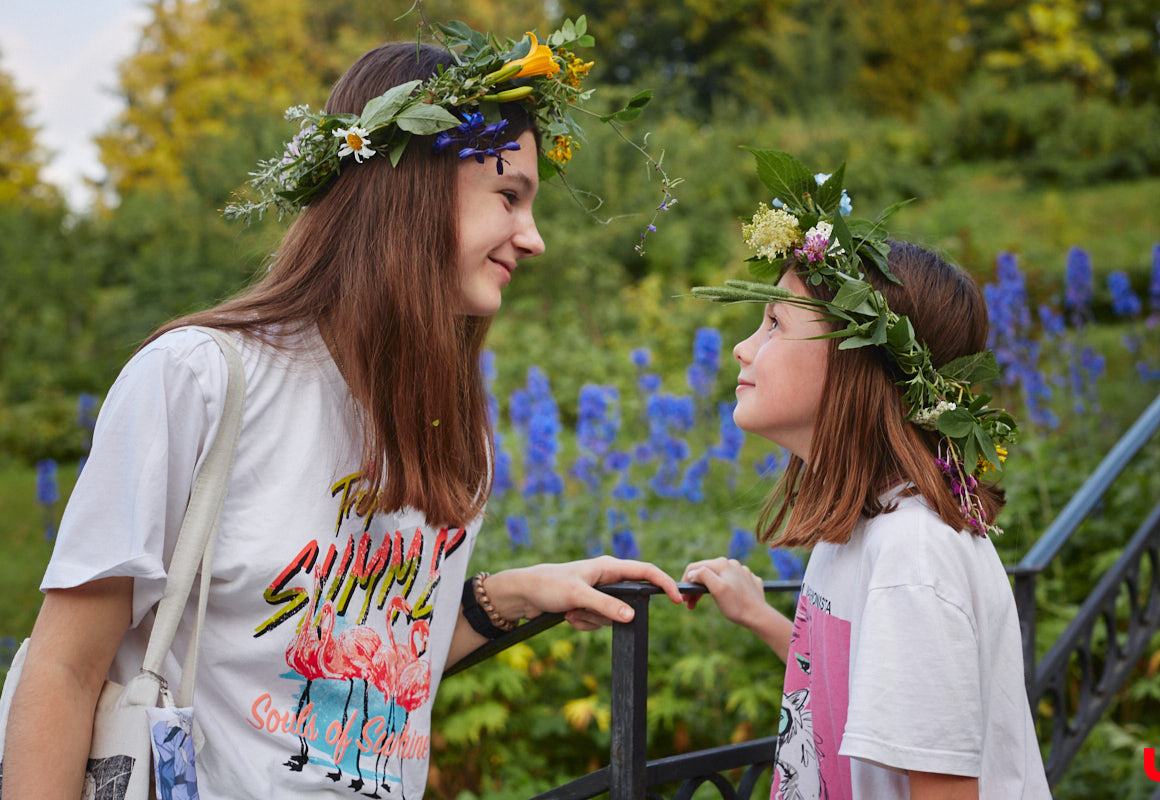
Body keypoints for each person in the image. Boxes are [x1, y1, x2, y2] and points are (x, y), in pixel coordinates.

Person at [3, 22, 682, 800]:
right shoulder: (202, 382)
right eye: (509, 196)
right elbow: (64, 667)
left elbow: (373, 664)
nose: (534, 239)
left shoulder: (449, 424)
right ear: (414, 190)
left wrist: (512, 597)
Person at [682, 155, 1051, 799]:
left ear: (859, 365)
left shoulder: (912, 558)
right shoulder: (868, 522)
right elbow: (855, 685)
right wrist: (766, 619)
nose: (743, 347)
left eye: (774, 323)